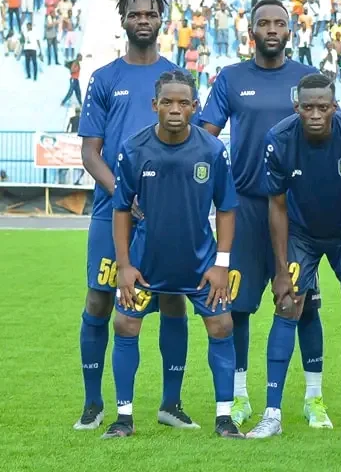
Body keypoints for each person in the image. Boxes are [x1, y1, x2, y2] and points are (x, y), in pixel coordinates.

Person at [244, 73, 341, 439]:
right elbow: (277, 206)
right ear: (296, 107)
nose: (314, 114)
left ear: (334, 107)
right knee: (287, 305)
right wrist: (281, 269)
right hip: (301, 234)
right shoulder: (278, 139)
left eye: (322, 107)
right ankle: (272, 415)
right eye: (307, 107)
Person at [75, 0, 192, 431]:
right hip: (114, 212)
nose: (143, 20)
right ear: (123, 20)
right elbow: (90, 153)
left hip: (168, 216)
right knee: (99, 298)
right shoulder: (105, 78)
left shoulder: (176, 78)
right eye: (135, 14)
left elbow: (193, 146)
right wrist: (126, 194)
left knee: (174, 299)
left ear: (161, 20)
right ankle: (93, 404)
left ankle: (171, 403)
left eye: (151, 14)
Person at [103, 69, 241, 439]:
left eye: (183, 102)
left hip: (200, 263)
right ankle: (123, 419)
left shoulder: (213, 151)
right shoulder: (134, 148)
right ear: (155, 105)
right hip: (145, 262)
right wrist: (124, 265)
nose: (175, 109)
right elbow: (121, 209)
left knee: (222, 326)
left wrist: (221, 264)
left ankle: (224, 419)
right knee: (125, 325)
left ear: (195, 107)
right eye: (167, 102)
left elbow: (227, 208)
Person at [199, 0, 317, 427]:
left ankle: (314, 398)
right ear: (251, 32)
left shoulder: (307, 78)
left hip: (297, 208)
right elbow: (206, 135)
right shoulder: (231, 78)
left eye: (278, 23)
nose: (271, 29)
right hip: (247, 206)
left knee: (304, 303)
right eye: (263, 23)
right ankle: (241, 396)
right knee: (238, 305)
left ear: (289, 31)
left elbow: (326, 130)